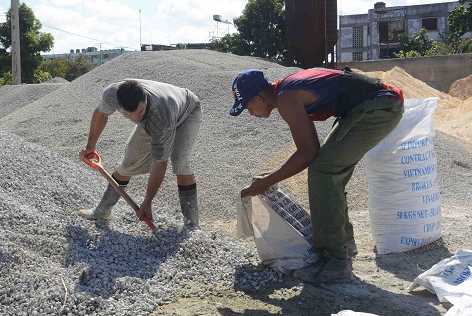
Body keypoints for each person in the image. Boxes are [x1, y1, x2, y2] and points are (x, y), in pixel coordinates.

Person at [230, 67, 404, 283]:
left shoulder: (286, 99)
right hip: (375, 105)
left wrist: (268, 180)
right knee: (328, 170)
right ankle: (344, 246)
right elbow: (310, 149)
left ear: (258, 98)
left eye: (248, 107)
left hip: (377, 107)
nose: (251, 113)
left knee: (323, 171)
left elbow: (308, 152)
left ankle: (335, 263)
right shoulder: (286, 90)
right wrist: (272, 176)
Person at [79, 79, 202, 230]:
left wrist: (147, 201)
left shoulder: (160, 116)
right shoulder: (112, 95)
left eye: (140, 112)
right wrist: (90, 145)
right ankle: (102, 210)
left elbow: (160, 163)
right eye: (128, 115)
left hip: (187, 111)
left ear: (145, 96)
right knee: (129, 163)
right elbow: (101, 114)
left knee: (179, 161)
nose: (135, 118)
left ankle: (192, 224)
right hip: (154, 118)